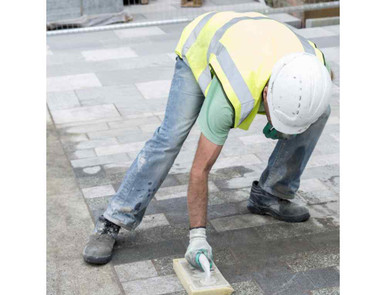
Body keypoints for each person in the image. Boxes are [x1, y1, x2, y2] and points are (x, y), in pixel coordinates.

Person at [82, 11, 333, 269]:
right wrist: (197, 237)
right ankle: (113, 219)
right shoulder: (234, 94)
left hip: (257, 39)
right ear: (266, 94)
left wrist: (291, 125)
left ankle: (270, 194)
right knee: (170, 137)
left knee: (320, 113)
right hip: (204, 42)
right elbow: (200, 169)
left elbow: (317, 96)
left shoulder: (315, 71)